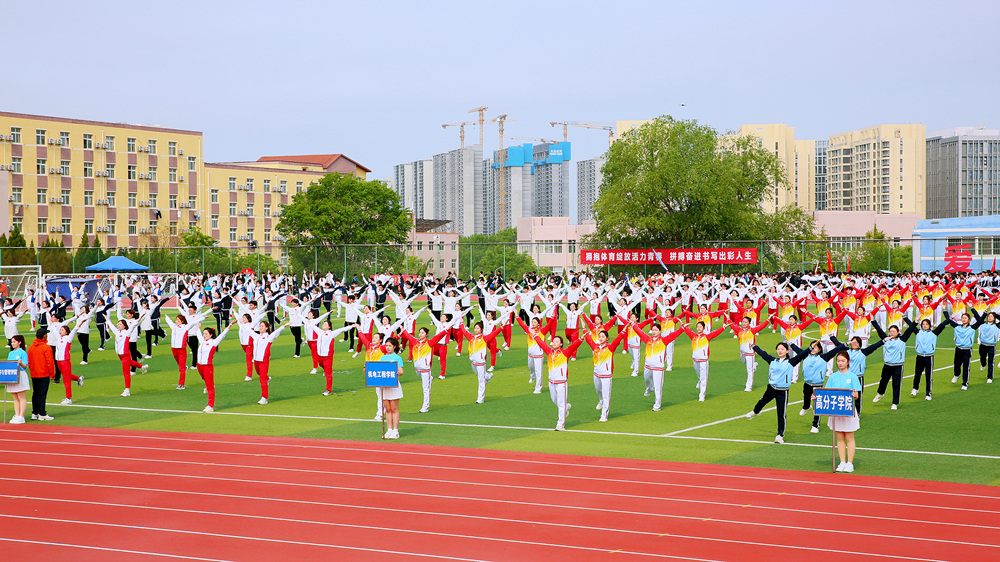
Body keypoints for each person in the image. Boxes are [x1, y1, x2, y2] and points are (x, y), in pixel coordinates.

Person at [745, 342, 809, 443]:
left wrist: (810, 348)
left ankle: (780, 435)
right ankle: (755, 412)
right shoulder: (773, 361)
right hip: (771, 388)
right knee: (762, 401)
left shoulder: (790, 362)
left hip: (782, 391)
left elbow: (801, 355)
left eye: (782, 349)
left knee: (781, 413)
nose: (780, 351)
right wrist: (754, 346)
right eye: (778, 349)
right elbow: (763, 354)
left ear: (787, 351)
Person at [791, 340, 850, 433]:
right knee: (806, 397)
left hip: (817, 385)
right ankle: (806, 407)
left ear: (819, 349)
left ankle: (815, 425)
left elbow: (834, 351)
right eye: (812, 347)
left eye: (815, 347)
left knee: (818, 404)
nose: (813, 349)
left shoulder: (824, 357)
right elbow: (797, 349)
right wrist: (790, 343)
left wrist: (845, 344)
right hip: (807, 383)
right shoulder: (805, 355)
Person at [532, 333, 585, 431]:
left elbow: (573, 346)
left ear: (561, 344)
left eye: (557, 341)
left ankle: (560, 424)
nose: (554, 342)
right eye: (554, 341)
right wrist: (534, 335)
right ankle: (566, 407)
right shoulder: (549, 351)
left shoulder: (565, 353)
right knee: (554, 400)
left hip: (561, 383)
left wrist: (581, 339)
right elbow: (541, 343)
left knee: (560, 403)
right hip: (551, 382)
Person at [634, 320, 684, 412]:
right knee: (646, 380)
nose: (654, 332)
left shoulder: (663, 340)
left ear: (660, 331)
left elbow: (673, 335)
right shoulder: (648, 339)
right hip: (647, 366)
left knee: (658, 387)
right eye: (653, 330)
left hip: (658, 367)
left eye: (656, 330)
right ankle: (649, 388)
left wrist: (682, 328)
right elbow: (640, 332)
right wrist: (633, 325)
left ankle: (657, 405)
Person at [826, 351, 862, 473]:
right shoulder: (832, 377)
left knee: (849, 437)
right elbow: (826, 392)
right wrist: (816, 397)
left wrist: (854, 395)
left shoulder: (852, 377)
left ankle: (850, 463)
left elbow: (857, 394)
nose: (840, 363)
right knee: (840, 437)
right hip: (836, 411)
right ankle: (842, 462)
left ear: (848, 362)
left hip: (848, 410)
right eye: (838, 361)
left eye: (843, 361)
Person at [400, 326, 451, 413]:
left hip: (425, 370)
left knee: (425, 389)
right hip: (417, 369)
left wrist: (447, 329)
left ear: (426, 334)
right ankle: (430, 378)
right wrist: (403, 329)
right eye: (420, 332)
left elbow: (438, 336)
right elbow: (408, 336)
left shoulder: (429, 343)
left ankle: (425, 406)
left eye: (422, 333)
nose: (420, 334)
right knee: (425, 383)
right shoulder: (415, 341)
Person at [870, 320, 917, 409]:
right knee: (883, 381)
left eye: (894, 331)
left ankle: (894, 403)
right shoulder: (886, 339)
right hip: (887, 364)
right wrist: (873, 321)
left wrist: (915, 322)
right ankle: (880, 393)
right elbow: (879, 329)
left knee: (896, 384)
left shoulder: (902, 339)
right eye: (890, 331)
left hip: (898, 365)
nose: (891, 333)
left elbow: (910, 329)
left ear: (898, 332)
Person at [903, 316, 950, 400]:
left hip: (929, 357)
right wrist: (905, 317)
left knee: (928, 376)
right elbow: (911, 324)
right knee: (917, 374)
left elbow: (942, 325)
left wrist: (949, 318)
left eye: (926, 324)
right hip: (919, 356)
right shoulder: (918, 332)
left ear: (929, 325)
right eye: (923, 324)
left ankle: (928, 393)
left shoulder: (934, 333)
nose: (924, 326)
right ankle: (915, 388)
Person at [194, 321, 235, 413]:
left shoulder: (213, 342)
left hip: (207, 366)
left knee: (210, 387)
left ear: (211, 335)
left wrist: (229, 325)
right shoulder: (202, 341)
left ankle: (210, 406)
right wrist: (198, 327)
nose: (204, 335)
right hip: (199, 365)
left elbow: (222, 335)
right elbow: (198, 334)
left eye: (206, 334)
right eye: (204, 334)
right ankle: (207, 386)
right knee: (204, 379)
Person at [680, 321, 726, 402]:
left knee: (704, 378)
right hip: (695, 360)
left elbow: (716, 333)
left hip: (703, 361)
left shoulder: (706, 337)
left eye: (700, 327)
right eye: (697, 327)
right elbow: (687, 330)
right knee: (699, 375)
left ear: (703, 328)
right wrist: (682, 324)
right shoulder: (693, 336)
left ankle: (702, 395)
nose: (698, 328)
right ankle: (700, 381)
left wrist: (724, 327)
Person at [461, 320, 504, 404]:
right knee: (479, 375)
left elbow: (494, 334)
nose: (476, 329)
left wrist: (502, 327)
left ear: (481, 330)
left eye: (478, 328)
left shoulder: (484, 338)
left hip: (481, 363)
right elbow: (464, 331)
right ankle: (488, 376)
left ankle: (480, 398)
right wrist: (461, 322)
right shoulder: (471, 337)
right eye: (475, 328)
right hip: (473, 362)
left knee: (481, 380)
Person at [248, 320, 290, 405]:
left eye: (262, 326)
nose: (260, 327)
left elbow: (276, 332)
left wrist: (284, 326)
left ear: (267, 328)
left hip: (264, 360)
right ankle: (267, 378)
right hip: (256, 360)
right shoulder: (256, 336)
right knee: (260, 374)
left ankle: (264, 398)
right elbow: (249, 330)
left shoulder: (268, 337)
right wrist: (241, 323)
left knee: (262, 379)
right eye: (260, 326)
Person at [107, 319, 147, 397]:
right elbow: (112, 326)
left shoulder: (127, 333)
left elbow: (133, 325)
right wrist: (107, 319)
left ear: (124, 326)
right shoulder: (117, 332)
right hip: (120, 355)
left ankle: (127, 390)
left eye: (120, 324)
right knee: (130, 362)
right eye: (118, 324)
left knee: (126, 373)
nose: (119, 325)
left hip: (125, 354)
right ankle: (142, 367)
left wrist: (139, 318)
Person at [314, 319, 354, 395]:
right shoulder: (320, 332)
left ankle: (328, 390)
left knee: (328, 374)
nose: (323, 325)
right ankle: (325, 370)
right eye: (323, 324)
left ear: (329, 327)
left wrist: (351, 326)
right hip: (319, 355)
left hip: (327, 356)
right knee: (320, 364)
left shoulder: (332, 333)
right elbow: (312, 326)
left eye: (326, 324)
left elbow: (342, 329)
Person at [378, 337, 405, 439]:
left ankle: (396, 430)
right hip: (385, 386)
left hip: (394, 386)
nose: (388, 347)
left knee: (394, 408)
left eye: (390, 346)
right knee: (388, 409)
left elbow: (401, 372)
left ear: (394, 346)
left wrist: (395, 371)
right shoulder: (382, 358)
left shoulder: (397, 358)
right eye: (386, 346)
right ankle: (389, 430)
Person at [943, 311, 975, 390]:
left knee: (966, 366)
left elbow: (980, 320)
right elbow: (949, 320)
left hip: (967, 349)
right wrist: (945, 311)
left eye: (965, 318)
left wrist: (983, 311)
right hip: (958, 349)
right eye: (962, 318)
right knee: (956, 364)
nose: (964, 319)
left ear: (969, 319)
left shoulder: (972, 328)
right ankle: (957, 375)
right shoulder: (957, 327)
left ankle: (965, 383)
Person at [28, 329, 55, 421]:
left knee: (35, 393)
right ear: (44, 336)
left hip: (34, 373)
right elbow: (49, 362)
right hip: (43, 373)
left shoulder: (31, 347)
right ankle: (42, 413)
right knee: (42, 394)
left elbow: (29, 361)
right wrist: (52, 374)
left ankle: (35, 413)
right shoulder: (46, 347)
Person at [54, 322, 84, 405]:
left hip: (65, 361)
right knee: (66, 375)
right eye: (60, 330)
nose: (60, 331)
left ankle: (68, 398)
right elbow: (54, 328)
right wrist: (49, 318)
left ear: (67, 332)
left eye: (62, 330)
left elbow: (75, 329)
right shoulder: (59, 338)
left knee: (66, 380)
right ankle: (78, 379)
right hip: (58, 361)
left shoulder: (68, 338)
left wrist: (80, 323)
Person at [5, 334, 30, 423]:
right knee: (15, 397)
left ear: (19, 342)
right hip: (12, 375)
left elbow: (25, 366)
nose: (12, 344)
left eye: (14, 342)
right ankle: (17, 414)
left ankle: (21, 416)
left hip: (20, 375)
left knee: (21, 397)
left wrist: (20, 363)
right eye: (12, 342)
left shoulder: (23, 353)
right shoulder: (11, 353)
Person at [971, 308, 999, 383]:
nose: (989, 318)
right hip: (983, 345)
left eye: (991, 316)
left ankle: (989, 377)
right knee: (982, 357)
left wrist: (995, 314)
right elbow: (977, 316)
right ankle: (983, 364)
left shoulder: (997, 326)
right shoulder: (983, 324)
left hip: (991, 346)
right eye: (989, 316)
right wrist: (972, 308)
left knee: (991, 362)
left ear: (994, 318)